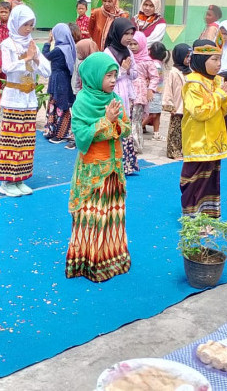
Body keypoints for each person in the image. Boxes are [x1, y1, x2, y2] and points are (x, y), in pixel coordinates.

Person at [66, 52, 131, 282]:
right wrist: (107, 121)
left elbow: (127, 127)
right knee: (93, 215)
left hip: (113, 169)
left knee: (111, 214)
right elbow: (82, 136)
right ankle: (89, 261)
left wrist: (115, 122)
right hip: (93, 172)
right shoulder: (83, 102)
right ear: (94, 77)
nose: (113, 80)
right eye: (108, 76)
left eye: (115, 75)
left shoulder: (115, 100)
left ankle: (112, 258)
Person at [0, 5, 51, 197]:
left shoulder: (32, 44)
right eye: (25, 24)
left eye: (31, 25)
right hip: (13, 99)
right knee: (11, 141)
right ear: (16, 23)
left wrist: (35, 59)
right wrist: (25, 59)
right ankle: (6, 182)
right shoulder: (7, 44)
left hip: (29, 100)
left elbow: (47, 71)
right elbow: (7, 68)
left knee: (26, 142)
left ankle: (20, 178)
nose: (28, 29)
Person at [180, 40, 227, 217]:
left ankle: (208, 215)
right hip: (197, 140)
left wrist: (225, 96)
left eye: (220, 60)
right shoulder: (193, 83)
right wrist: (219, 95)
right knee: (193, 180)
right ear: (202, 60)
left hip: (214, 138)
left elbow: (225, 109)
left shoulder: (218, 81)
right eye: (214, 59)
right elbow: (199, 112)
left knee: (211, 179)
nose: (218, 64)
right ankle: (192, 218)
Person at [104, 18, 139, 175]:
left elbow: (135, 74)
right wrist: (123, 70)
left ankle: (128, 165)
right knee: (115, 125)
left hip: (127, 93)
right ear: (117, 33)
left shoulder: (129, 51)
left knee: (125, 124)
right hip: (115, 92)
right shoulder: (108, 52)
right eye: (126, 34)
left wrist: (129, 70)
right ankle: (115, 163)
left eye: (131, 34)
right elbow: (107, 76)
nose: (129, 37)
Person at [43, 23, 77, 146]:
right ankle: (57, 132)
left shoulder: (59, 49)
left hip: (58, 79)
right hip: (65, 78)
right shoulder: (69, 47)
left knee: (58, 105)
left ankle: (60, 133)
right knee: (61, 104)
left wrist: (47, 42)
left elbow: (46, 55)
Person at [130, 31, 159, 153]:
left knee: (136, 119)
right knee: (128, 117)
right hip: (128, 90)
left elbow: (155, 77)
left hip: (140, 92)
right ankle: (127, 144)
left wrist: (150, 90)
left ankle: (136, 145)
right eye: (130, 44)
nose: (132, 47)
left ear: (142, 44)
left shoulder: (147, 61)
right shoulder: (128, 58)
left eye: (135, 44)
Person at [163, 43, 191, 159]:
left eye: (190, 56)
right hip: (177, 106)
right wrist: (169, 105)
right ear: (179, 56)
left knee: (186, 130)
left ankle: (185, 149)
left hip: (188, 106)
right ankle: (173, 151)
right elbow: (168, 89)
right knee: (175, 131)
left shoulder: (190, 71)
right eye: (186, 56)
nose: (189, 59)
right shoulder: (174, 73)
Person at [142, 41, 167, 142]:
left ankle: (156, 133)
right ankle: (138, 128)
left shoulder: (155, 63)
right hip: (154, 93)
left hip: (156, 92)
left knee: (157, 113)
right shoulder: (156, 65)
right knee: (152, 114)